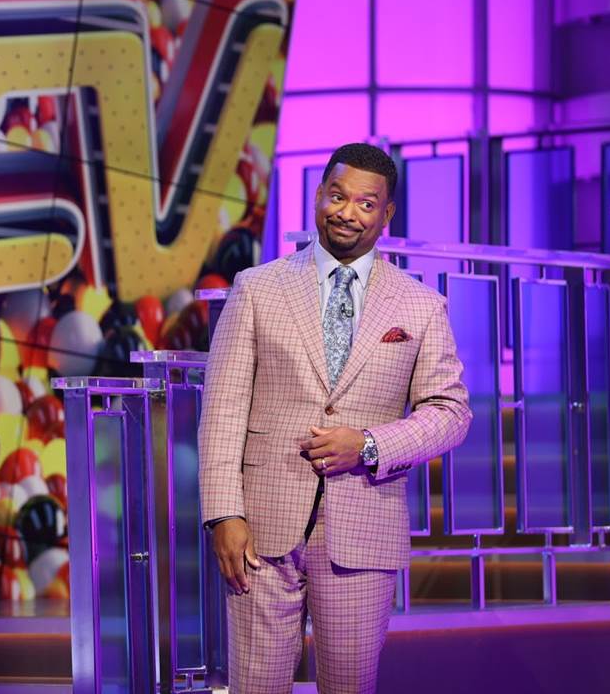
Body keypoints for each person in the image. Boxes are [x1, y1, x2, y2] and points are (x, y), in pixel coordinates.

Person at [197, 143, 471, 693]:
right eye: (338, 196)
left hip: (362, 531)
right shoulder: (256, 288)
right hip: (260, 531)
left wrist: (368, 444)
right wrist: (223, 514)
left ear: (387, 214)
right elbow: (222, 409)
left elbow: (451, 412)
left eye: (366, 204)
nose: (348, 212)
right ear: (318, 194)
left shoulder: (420, 306)